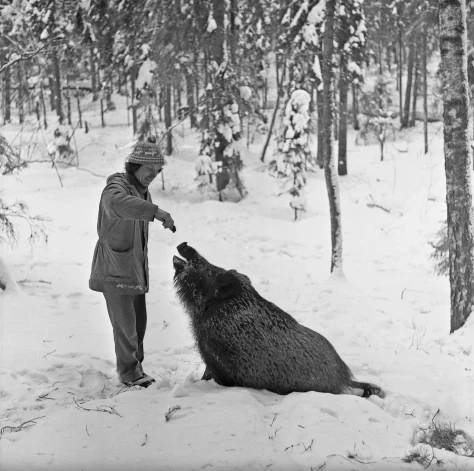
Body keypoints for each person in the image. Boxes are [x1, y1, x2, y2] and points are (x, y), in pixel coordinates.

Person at [89, 139, 174, 388]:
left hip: (132, 269)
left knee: (138, 324)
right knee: (125, 326)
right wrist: (155, 212)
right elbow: (115, 204)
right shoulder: (117, 185)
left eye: (158, 171)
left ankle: (136, 369)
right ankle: (130, 375)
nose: (153, 175)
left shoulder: (141, 189)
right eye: (150, 168)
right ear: (136, 164)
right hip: (114, 269)